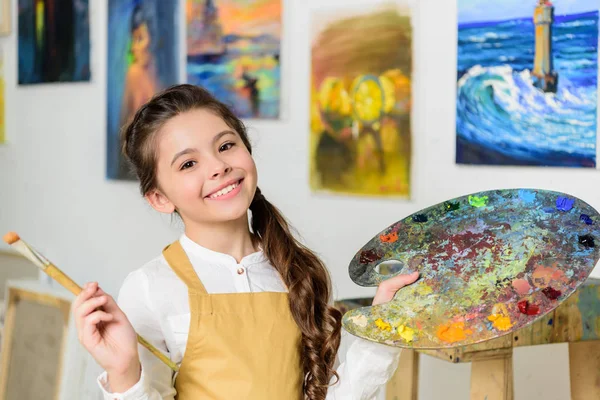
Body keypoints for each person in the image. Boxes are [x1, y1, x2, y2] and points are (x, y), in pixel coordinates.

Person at [72, 84, 419, 400]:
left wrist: (380, 326)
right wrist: (123, 373)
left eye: (225, 146)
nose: (218, 166)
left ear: (247, 150)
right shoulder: (149, 287)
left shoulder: (296, 271)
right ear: (160, 198)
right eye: (189, 163)